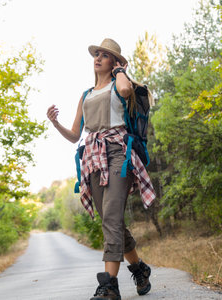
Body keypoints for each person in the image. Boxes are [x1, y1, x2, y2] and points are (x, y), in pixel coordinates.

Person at [46, 38, 155, 300]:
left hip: (119, 152)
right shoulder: (86, 95)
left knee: (111, 217)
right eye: (97, 54)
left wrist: (120, 71)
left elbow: (127, 92)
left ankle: (109, 286)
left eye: (105, 55)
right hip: (92, 157)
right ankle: (140, 269)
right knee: (112, 219)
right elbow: (75, 135)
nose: (98, 58)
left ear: (114, 62)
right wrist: (55, 123)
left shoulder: (120, 84)